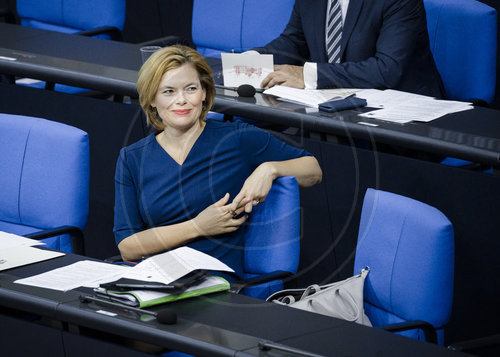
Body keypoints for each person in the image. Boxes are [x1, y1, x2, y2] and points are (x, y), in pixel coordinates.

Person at [113, 45, 322, 279]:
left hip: (214, 281)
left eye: (190, 89)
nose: (181, 100)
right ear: (151, 99)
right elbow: (127, 246)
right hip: (153, 277)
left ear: (204, 93)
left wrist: (269, 169)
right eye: (168, 91)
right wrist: (198, 227)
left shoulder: (238, 138)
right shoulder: (132, 158)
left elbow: (312, 169)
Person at [253, 0, 444, 98]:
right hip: (334, 106)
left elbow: (387, 69)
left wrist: (308, 75)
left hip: (403, 118)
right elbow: (293, 43)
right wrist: (250, 60)